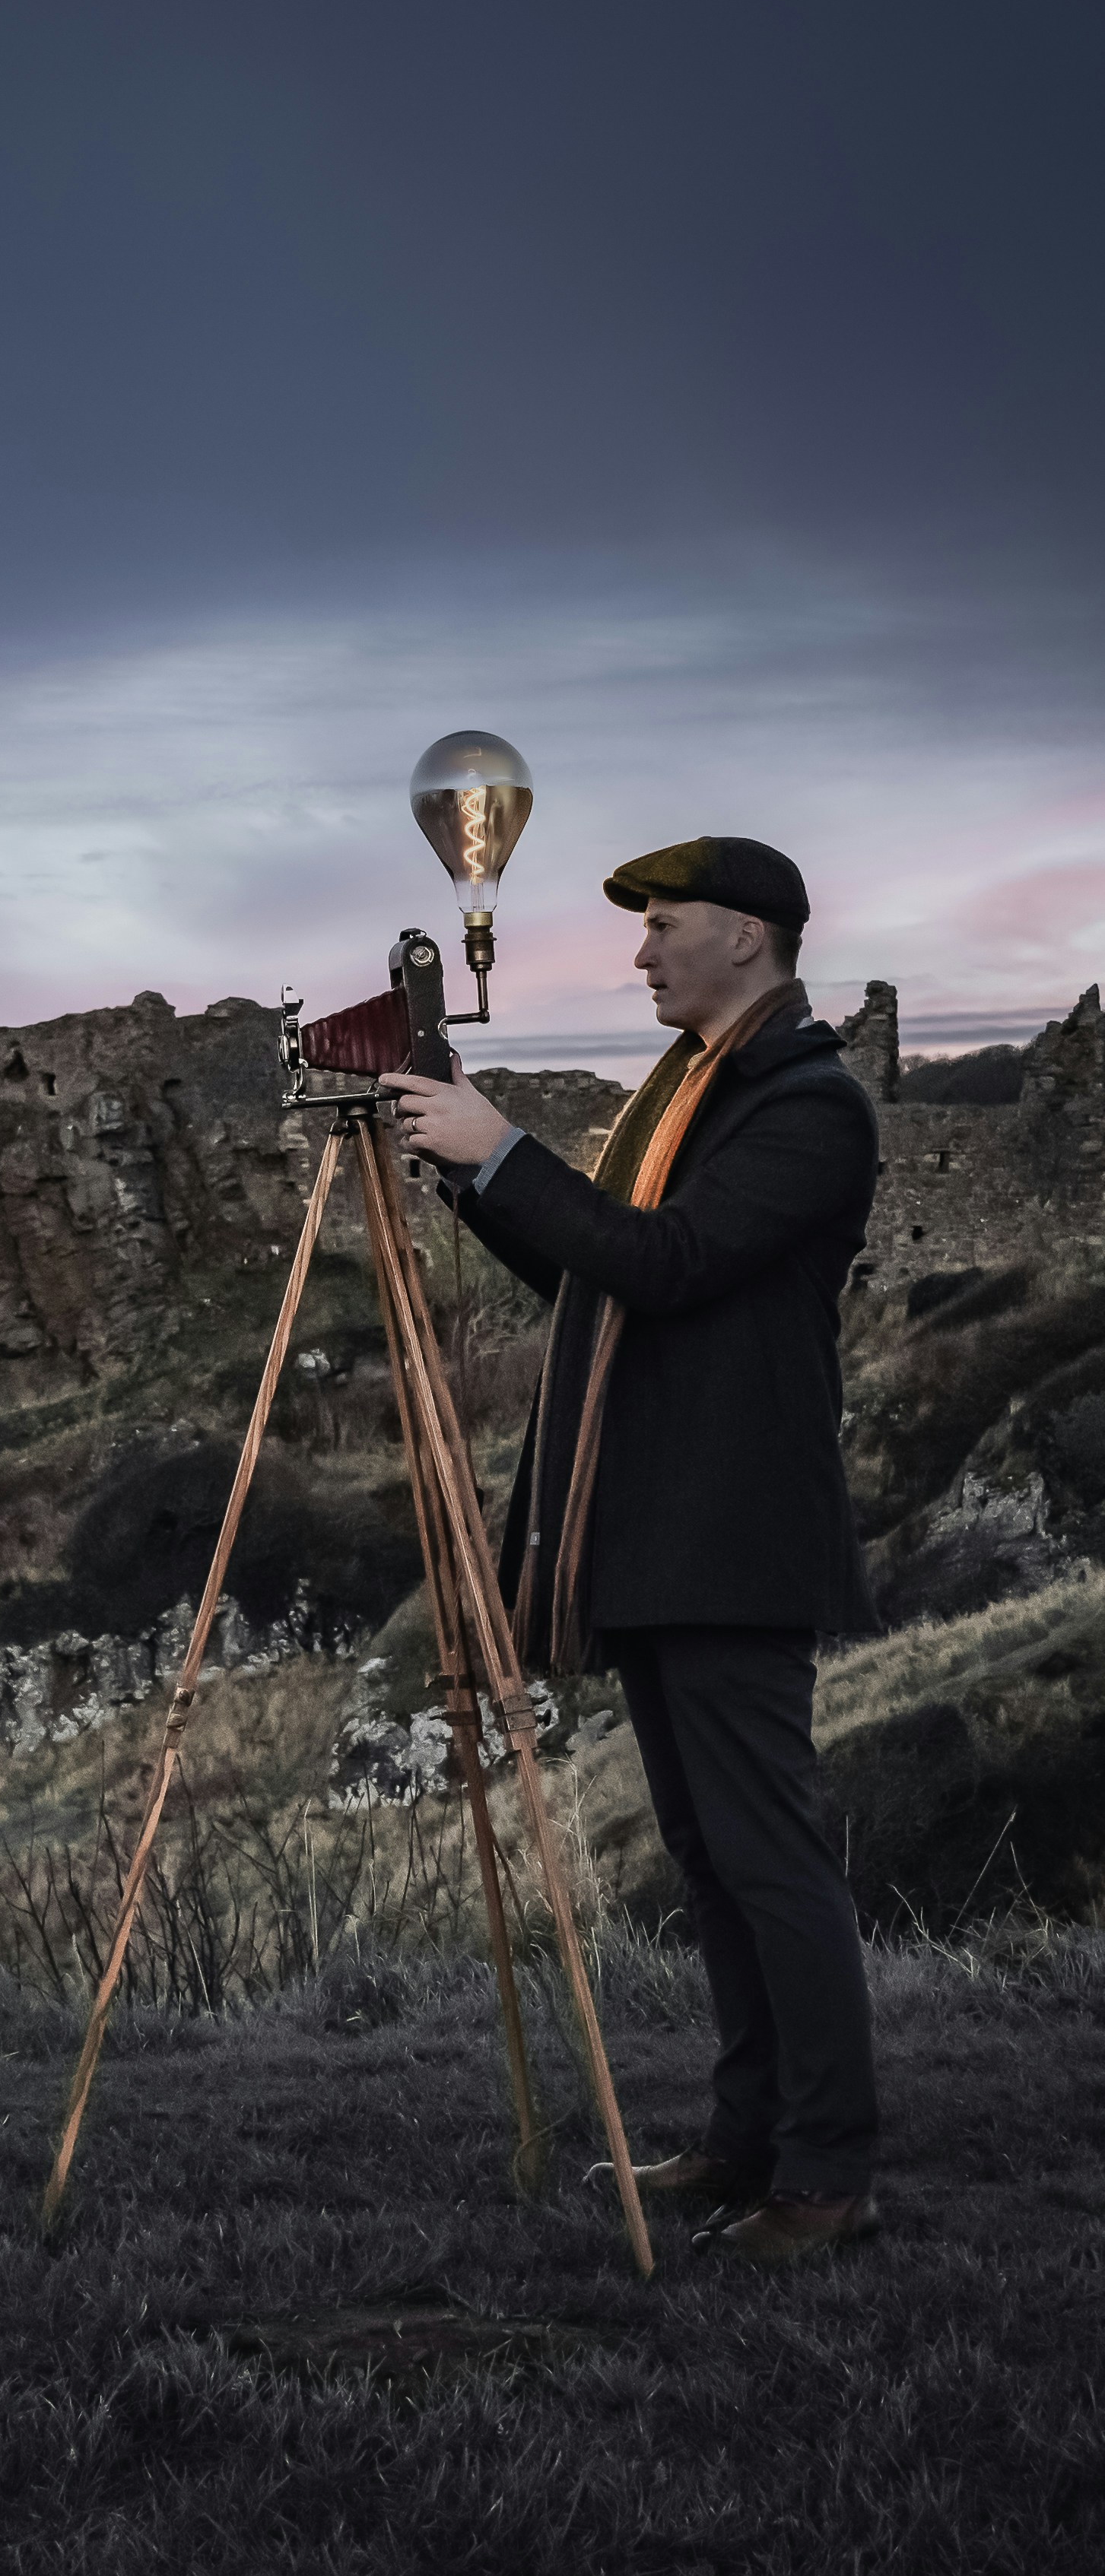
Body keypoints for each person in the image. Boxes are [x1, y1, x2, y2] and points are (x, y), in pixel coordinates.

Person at [384, 836, 881, 2263]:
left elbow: (665, 1266)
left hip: (729, 1531)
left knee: (771, 1859)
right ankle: (745, 2146)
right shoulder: (685, 1101)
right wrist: (480, 1178)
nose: (642, 952)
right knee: (712, 1858)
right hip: (662, 1528)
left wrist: (509, 1151)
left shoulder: (808, 1108)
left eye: (664, 928)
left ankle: (827, 2179)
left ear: (747, 936)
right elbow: (591, 1270)